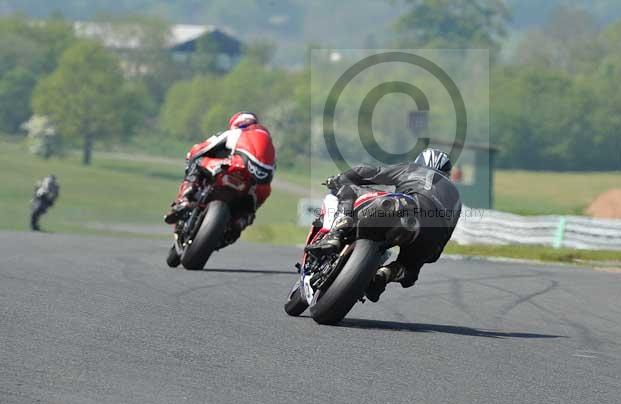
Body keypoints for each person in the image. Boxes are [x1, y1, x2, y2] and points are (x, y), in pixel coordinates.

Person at [306, 148, 461, 302]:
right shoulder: (456, 196)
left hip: (405, 207)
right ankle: (387, 274)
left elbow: (369, 172)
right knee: (409, 269)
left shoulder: (413, 169)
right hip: (433, 235)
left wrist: (338, 179)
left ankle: (338, 232)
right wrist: (426, 255)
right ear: (447, 172)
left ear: (420, 162)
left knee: (349, 187)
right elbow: (443, 240)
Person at [164, 112, 275, 241]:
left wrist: (191, 162)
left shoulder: (235, 133)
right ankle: (240, 221)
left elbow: (199, 149)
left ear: (235, 124)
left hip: (229, 168)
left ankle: (184, 199)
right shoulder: (269, 145)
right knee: (250, 207)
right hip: (254, 184)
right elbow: (269, 177)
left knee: (197, 159)